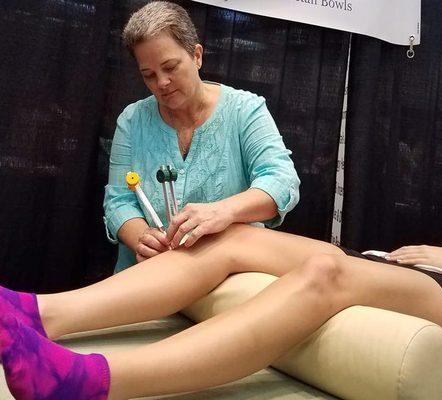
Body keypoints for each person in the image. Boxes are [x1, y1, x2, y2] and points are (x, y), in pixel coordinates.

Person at [0, 224, 442, 400]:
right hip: (392, 262)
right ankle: (33, 312)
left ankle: (81, 380)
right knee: (228, 237)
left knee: (326, 274)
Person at [103, 1, 300, 272]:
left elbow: (282, 182)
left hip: (228, 276)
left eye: (170, 67)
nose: (161, 83)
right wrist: (142, 239)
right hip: (149, 273)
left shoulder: (245, 110)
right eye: (148, 75)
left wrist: (224, 211)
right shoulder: (132, 120)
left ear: (196, 55)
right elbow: (118, 202)